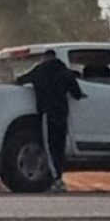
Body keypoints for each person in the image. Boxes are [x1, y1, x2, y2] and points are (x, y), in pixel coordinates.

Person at [15, 50, 86, 194]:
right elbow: (77, 94)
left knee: (49, 146)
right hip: (62, 114)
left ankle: (57, 180)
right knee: (59, 147)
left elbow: (21, 80)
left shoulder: (40, 70)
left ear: (44, 58)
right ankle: (59, 177)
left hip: (47, 113)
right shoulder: (65, 71)